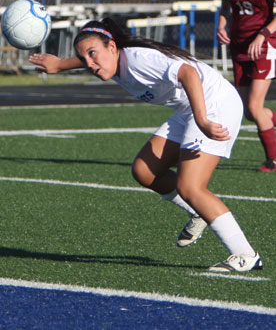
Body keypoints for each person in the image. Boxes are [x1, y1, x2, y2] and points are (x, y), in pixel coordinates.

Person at [29, 17, 263, 272]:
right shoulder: (109, 61)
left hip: (214, 104)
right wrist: (60, 65)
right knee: (144, 170)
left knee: (191, 187)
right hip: (190, 108)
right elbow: (89, 54)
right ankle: (198, 213)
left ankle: (245, 255)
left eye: (93, 54)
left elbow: (188, 73)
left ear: (112, 47)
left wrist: (202, 119)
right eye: (84, 59)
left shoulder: (138, 59)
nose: (89, 64)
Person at [217, 0, 276, 172]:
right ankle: (270, 123)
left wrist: (263, 35)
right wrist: (221, 25)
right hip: (239, 46)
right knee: (250, 111)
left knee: (254, 106)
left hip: (264, 45)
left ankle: (273, 161)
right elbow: (226, 3)